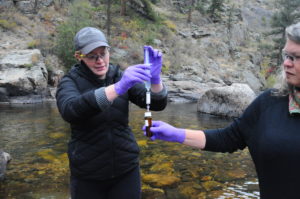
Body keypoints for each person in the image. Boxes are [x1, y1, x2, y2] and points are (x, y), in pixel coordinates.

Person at [143, 22, 300, 199]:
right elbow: (228, 138)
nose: (286, 63)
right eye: (286, 55)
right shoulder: (270, 102)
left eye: (295, 57)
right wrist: (175, 134)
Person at [56, 27, 167, 199]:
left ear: (109, 51)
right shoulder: (69, 81)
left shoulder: (119, 75)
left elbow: (156, 104)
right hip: (87, 175)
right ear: (79, 57)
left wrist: (156, 81)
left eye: (103, 53)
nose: (100, 61)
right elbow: (70, 111)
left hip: (126, 170)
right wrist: (118, 88)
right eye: (92, 56)